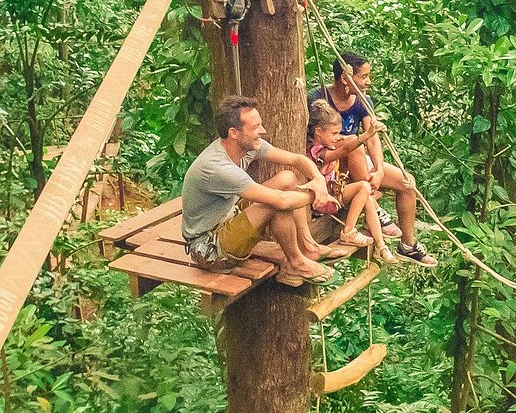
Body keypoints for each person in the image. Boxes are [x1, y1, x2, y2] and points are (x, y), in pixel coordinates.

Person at [181, 95, 339, 287]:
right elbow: (281, 201)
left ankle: (308, 246)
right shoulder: (217, 167)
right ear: (234, 133)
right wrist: (317, 195)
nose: (262, 131)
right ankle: (296, 262)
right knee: (275, 203)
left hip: (229, 215)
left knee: (287, 178)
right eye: (255, 127)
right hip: (209, 248)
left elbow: (297, 160)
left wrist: (318, 180)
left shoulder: (247, 146)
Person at [308, 51, 434, 266]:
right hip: (330, 166)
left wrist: (379, 169)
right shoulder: (318, 99)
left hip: (356, 165)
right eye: (364, 77)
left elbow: (372, 138)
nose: (368, 82)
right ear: (346, 78)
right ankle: (373, 206)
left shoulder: (362, 101)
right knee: (353, 144)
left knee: (407, 183)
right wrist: (351, 141)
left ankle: (408, 244)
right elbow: (314, 140)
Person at [307, 97, 384, 257]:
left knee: (367, 194)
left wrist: (340, 138)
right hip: (323, 202)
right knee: (363, 187)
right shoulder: (317, 152)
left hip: (334, 195)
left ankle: (381, 246)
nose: (338, 137)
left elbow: (341, 143)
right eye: (334, 133)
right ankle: (349, 231)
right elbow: (343, 151)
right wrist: (365, 136)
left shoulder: (327, 143)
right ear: (319, 132)